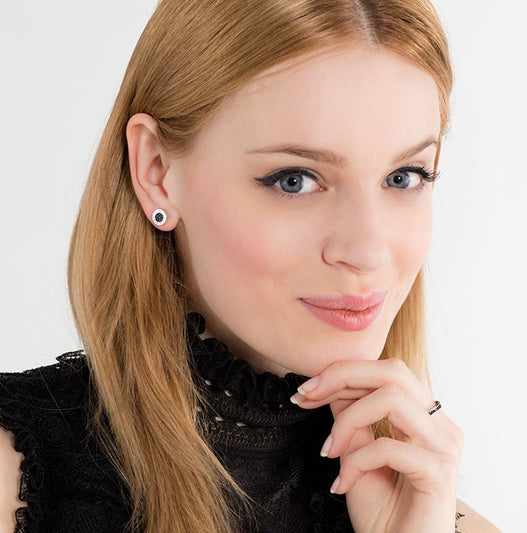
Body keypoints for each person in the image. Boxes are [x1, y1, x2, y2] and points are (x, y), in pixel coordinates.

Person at [0, 0, 501, 532]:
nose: (368, 251)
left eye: (404, 177)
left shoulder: (431, 516)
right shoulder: (16, 481)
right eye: (294, 180)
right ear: (156, 171)